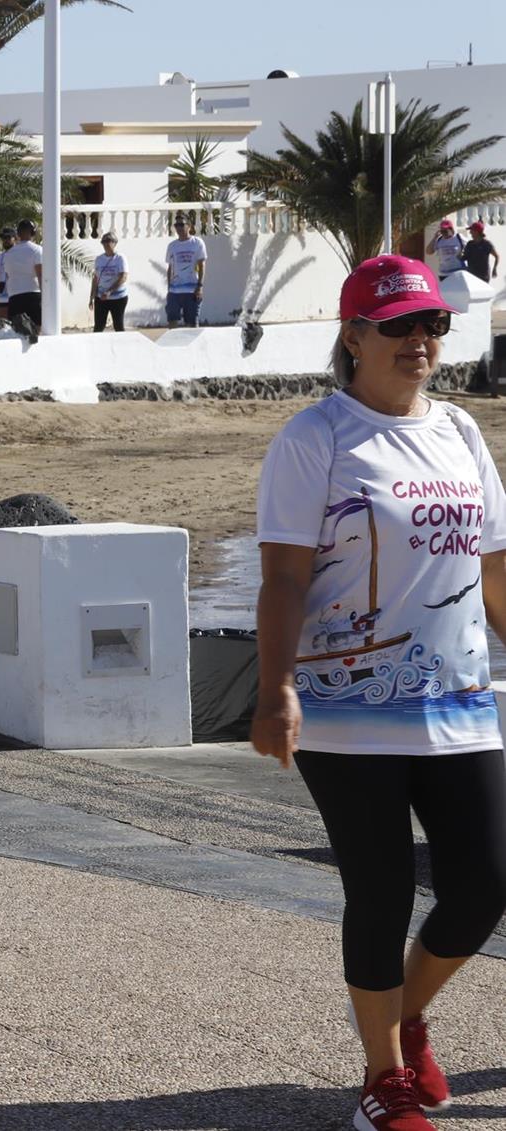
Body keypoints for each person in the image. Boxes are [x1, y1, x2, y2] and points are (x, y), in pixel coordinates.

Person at [253, 254, 506, 1131]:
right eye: (399, 326)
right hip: (346, 707)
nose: (421, 341)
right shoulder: (315, 437)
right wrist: (274, 687)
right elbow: (284, 578)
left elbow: (494, 569)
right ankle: (383, 1079)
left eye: (432, 324)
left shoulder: (461, 433)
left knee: (485, 882)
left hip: (460, 700)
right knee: (383, 888)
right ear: (353, 335)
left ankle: (404, 1015)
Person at [164, 214, 207, 327]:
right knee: (172, 322)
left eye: (181, 224)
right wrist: (169, 288)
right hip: (175, 291)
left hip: (192, 290)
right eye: (176, 225)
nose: (178, 228)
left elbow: (202, 265)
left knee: (192, 324)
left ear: (189, 226)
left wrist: (200, 286)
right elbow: (170, 268)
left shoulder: (197, 243)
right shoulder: (172, 246)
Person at [3, 219, 43, 333]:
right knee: (37, 329)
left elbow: (8, 274)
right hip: (33, 294)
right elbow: (40, 274)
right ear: (32, 232)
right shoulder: (37, 250)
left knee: (17, 332)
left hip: (14, 296)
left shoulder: (8, 254)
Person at [91, 232, 130, 333]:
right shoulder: (99, 259)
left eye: (109, 241)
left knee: (118, 326)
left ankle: (122, 347)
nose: (106, 244)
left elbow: (123, 277)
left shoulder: (120, 258)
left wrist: (110, 291)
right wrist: (92, 297)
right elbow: (95, 278)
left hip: (118, 298)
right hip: (101, 298)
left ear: (115, 243)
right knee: (98, 327)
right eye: (103, 241)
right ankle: (96, 347)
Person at [0, 227, 15, 320]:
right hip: (2, 296)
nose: (6, 240)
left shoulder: (18, 254)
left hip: (16, 294)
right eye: (4, 238)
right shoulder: (0, 256)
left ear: (14, 238)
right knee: (1, 323)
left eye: (8, 238)